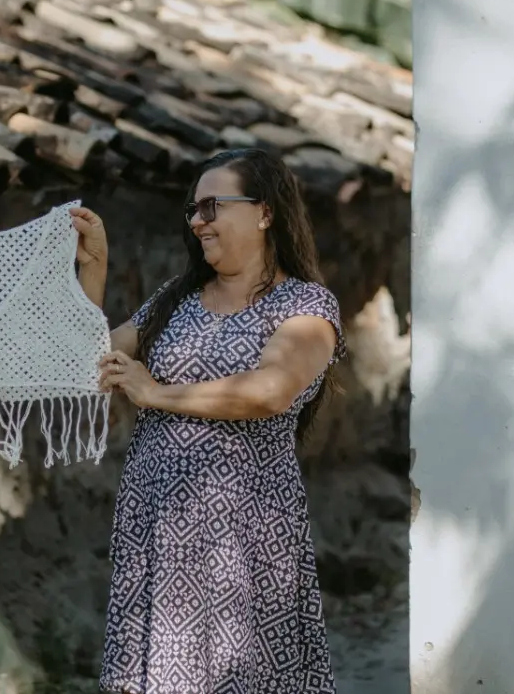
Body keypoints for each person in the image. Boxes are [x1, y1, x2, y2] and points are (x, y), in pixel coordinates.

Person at [91, 148, 344, 694]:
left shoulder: (305, 307)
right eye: (193, 210)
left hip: (244, 533)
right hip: (158, 522)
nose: (198, 221)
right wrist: (94, 268)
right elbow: (92, 358)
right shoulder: (173, 299)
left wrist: (156, 393)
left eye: (212, 206)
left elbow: (269, 391)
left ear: (264, 211)